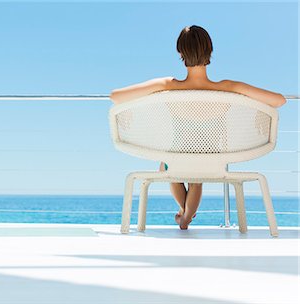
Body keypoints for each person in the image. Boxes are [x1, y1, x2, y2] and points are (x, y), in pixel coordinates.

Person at [109, 25, 286, 230]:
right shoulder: (227, 87)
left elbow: (115, 96)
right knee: (197, 177)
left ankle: (184, 214)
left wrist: (128, 109)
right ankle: (185, 217)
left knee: (166, 166)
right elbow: (279, 100)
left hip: (175, 156)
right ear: (210, 50)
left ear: (180, 53)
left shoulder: (168, 84)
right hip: (211, 156)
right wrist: (260, 111)